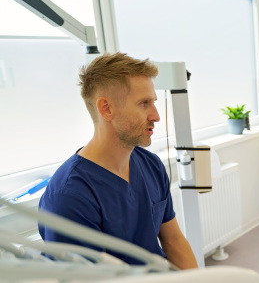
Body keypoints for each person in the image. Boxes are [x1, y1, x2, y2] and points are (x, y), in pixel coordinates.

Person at [38, 52, 198, 269]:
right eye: (144, 103)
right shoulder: (70, 196)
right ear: (106, 108)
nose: (156, 115)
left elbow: (174, 241)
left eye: (153, 102)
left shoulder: (150, 165)